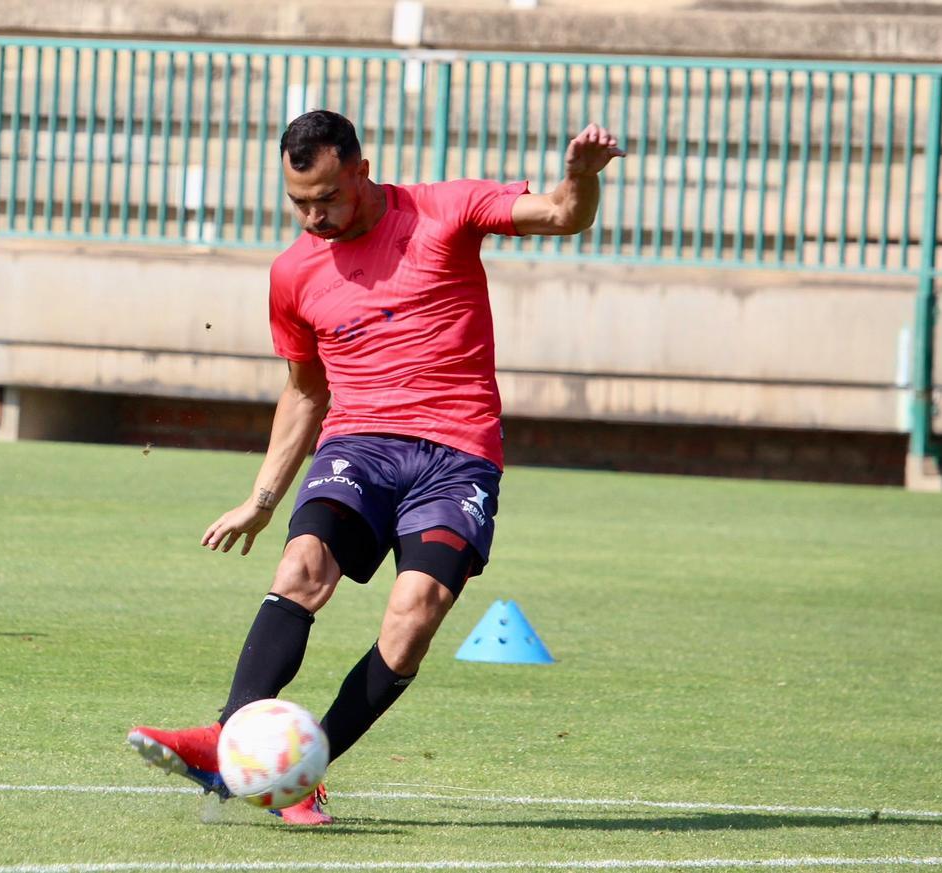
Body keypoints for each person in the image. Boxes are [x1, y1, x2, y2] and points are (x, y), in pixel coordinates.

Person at [128, 109, 624, 825]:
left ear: (361, 170)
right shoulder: (294, 272)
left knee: (413, 617)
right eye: (298, 201)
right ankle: (227, 738)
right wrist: (262, 498)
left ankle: (297, 769)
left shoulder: (443, 211)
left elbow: (559, 214)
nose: (312, 216)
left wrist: (580, 178)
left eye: (326, 197)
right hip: (359, 444)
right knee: (301, 568)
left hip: (458, 457)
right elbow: (305, 390)